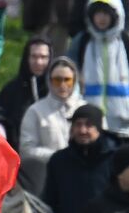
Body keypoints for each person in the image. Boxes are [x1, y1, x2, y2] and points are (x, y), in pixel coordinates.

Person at [68, 0, 129, 141]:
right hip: (89, 123)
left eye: (106, 13)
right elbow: (71, 75)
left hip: (124, 122)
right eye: (97, 13)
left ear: (116, 15)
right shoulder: (82, 41)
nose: (101, 18)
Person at [19, 57, 83, 194]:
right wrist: (59, 156)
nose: (62, 84)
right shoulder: (35, 111)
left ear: (74, 81)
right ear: (49, 81)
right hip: (47, 177)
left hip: (81, 174)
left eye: (67, 79)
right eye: (57, 79)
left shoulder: (85, 109)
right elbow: (27, 149)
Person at [0, 36, 53, 147]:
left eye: (43, 57)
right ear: (26, 58)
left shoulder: (56, 90)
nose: (38, 62)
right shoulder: (11, 90)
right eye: (34, 56)